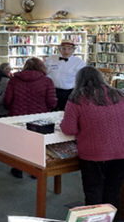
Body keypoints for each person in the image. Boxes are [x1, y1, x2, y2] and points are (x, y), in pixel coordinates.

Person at [60, 66, 124, 213]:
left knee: (93, 190)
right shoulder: (118, 95)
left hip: (94, 153)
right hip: (121, 151)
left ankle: (94, 218)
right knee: (113, 190)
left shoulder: (77, 98)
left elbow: (69, 129)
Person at [3, 57, 57, 179]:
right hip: (39, 117)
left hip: (17, 116)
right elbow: (52, 102)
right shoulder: (47, 81)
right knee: (37, 143)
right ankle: (35, 170)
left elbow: (7, 100)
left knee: (18, 142)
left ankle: (18, 168)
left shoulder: (14, 80)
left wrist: (9, 109)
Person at [45, 39, 85, 110]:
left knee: (65, 111)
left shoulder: (79, 62)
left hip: (68, 92)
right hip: (52, 90)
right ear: (59, 49)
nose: (66, 51)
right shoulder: (51, 59)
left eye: (69, 49)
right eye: (63, 48)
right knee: (51, 110)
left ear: (73, 50)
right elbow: (45, 72)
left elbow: (82, 79)